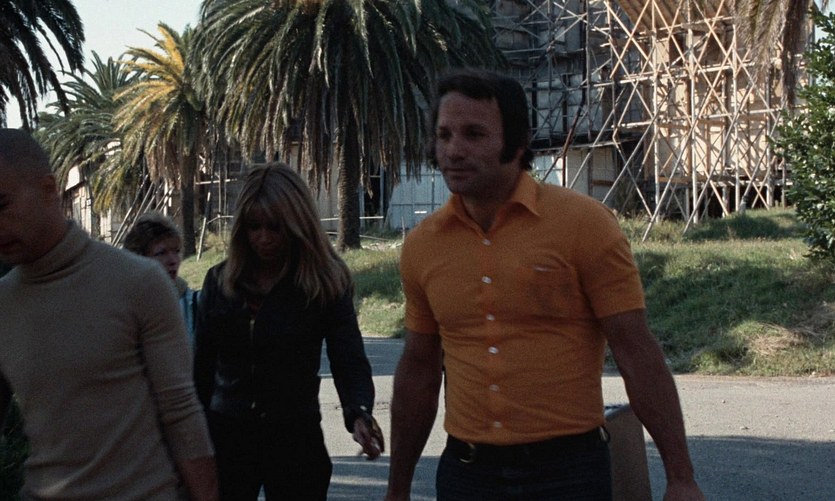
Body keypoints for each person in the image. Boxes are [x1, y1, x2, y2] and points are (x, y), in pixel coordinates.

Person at [385, 69, 705, 501]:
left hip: (567, 475)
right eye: (444, 135)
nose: (454, 150)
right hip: (468, 475)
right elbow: (419, 369)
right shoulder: (423, 245)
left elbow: (636, 351)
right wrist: (397, 489)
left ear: (517, 143)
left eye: (474, 134)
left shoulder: (584, 225)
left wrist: (681, 478)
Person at [0, 128, 218, 500]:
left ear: (49, 189)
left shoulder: (138, 283)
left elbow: (182, 413)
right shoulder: (4, 302)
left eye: (1, 204)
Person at [194, 162, 383, 500]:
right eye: (254, 227)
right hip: (227, 440)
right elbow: (201, 371)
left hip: (295, 440)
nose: (263, 238)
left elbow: (348, 358)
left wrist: (359, 414)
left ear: (297, 224)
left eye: (275, 227)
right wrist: (189, 440)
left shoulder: (324, 283)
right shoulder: (219, 282)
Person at [124, 211, 199, 344]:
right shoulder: (122, 306)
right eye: (161, 253)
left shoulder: (190, 304)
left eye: (176, 251)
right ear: (139, 258)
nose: (173, 260)